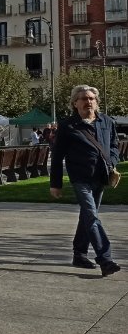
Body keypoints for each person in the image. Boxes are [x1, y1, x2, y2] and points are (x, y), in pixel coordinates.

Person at [51, 85, 121, 277]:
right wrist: (55, 183)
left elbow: (114, 145)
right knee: (92, 216)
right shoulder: (68, 125)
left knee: (87, 217)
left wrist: (112, 161)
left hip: (101, 176)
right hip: (80, 178)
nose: (88, 101)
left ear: (96, 102)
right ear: (75, 103)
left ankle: (79, 254)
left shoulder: (106, 121)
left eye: (91, 98)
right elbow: (57, 156)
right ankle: (105, 259)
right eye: (83, 98)